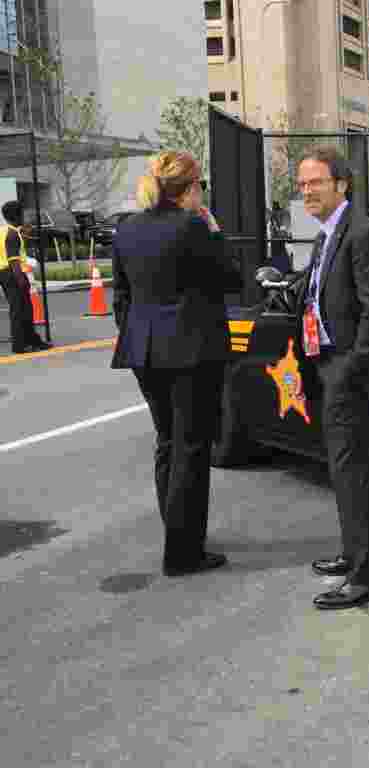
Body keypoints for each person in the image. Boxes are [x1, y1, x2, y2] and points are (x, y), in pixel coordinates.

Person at [110, 151, 241, 577]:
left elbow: (122, 298)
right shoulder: (193, 227)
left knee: (167, 442)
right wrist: (216, 232)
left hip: (143, 350)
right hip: (190, 350)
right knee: (191, 447)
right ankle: (184, 552)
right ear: (190, 188)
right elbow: (231, 279)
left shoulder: (126, 229)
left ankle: (177, 530)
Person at [298, 144, 369, 610]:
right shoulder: (326, 235)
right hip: (327, 364)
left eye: (315, 182)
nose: (306, 191)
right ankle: (353, 553)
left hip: (348, 371)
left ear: (341, 184)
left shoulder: (364, 233)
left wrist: (351, 369)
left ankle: (367, 577)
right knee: (341, 470)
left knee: (353, 472)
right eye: (301, 184)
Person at [0, 200, 50, 353]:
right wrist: (22, 280)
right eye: (22, 213)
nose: (24, 216)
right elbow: (13, 260)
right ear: (17, 215)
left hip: (4, 273)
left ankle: (31, 340)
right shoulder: (12, 234)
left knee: (23, 309)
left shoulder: (5, 231)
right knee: (20, 310)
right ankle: (20, 345)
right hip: (13, 274)